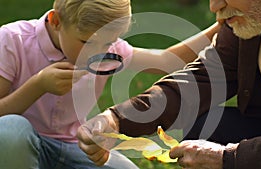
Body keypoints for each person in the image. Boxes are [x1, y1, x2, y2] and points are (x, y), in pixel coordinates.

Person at [77, 0, 261, 169]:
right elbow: (199, 80)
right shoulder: (250, 20)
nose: (215, 7)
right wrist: (116, 119)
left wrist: (228, 158)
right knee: (207, 127)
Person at [0, 0, 221, 169]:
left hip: (72, 148)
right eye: (87, 42)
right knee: (11, 130)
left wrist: (221, 25)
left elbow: (164, 61)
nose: (96, 52)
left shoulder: (109, 51)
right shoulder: (12, 40)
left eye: (107, 42)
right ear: (56, 21)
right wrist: (38, 85)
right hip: (18, 148)